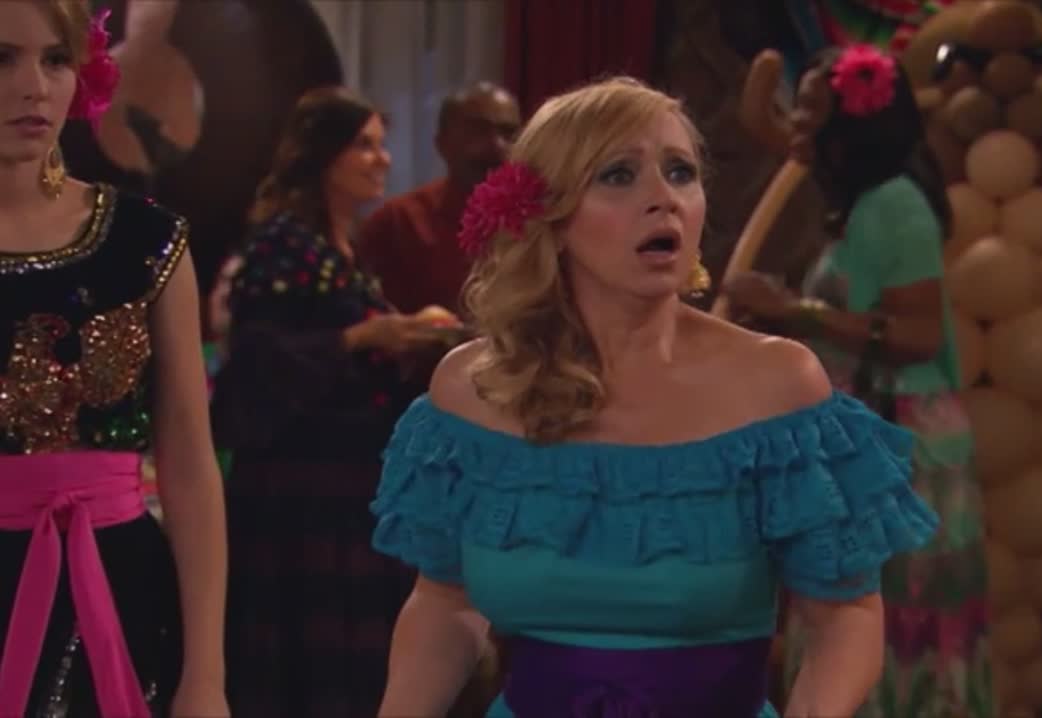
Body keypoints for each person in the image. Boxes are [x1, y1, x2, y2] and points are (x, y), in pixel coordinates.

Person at [369, 76, 940, 718]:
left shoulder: (776, 384)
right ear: (550, 216)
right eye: (619, 174)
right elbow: (445, 603)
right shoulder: (472, 390)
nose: (663, 198)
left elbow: (844, 617)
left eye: (680, 172)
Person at [723, 44, 994, 718]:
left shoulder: (896, 204)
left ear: (853, 124)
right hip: (863, 444)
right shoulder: (864, 205)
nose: (796, 123)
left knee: (887, 632)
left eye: (810, 109)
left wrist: (798, 311)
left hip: (901, 448)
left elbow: (918, 335)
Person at [0, 1, 229, 716]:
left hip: (121, 592)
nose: (35, 86)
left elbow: (189, 467)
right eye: (2, 59)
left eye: (55, 60)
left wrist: (207, 676)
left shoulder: (145, 240)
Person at [210, 85, 456, 718]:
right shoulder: (281, 245)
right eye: (364, 145)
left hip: (349, 489)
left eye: (382, 144)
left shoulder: (341, 249)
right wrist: (366, 336)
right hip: (299, 497)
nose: (382, 159)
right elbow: (256, 365)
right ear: (324, 155)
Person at [357, 82, 521, 315]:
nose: (497, 145)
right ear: (442, 144)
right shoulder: (397, 222)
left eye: (508, 133)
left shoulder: (542, 220)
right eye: (478, 131)